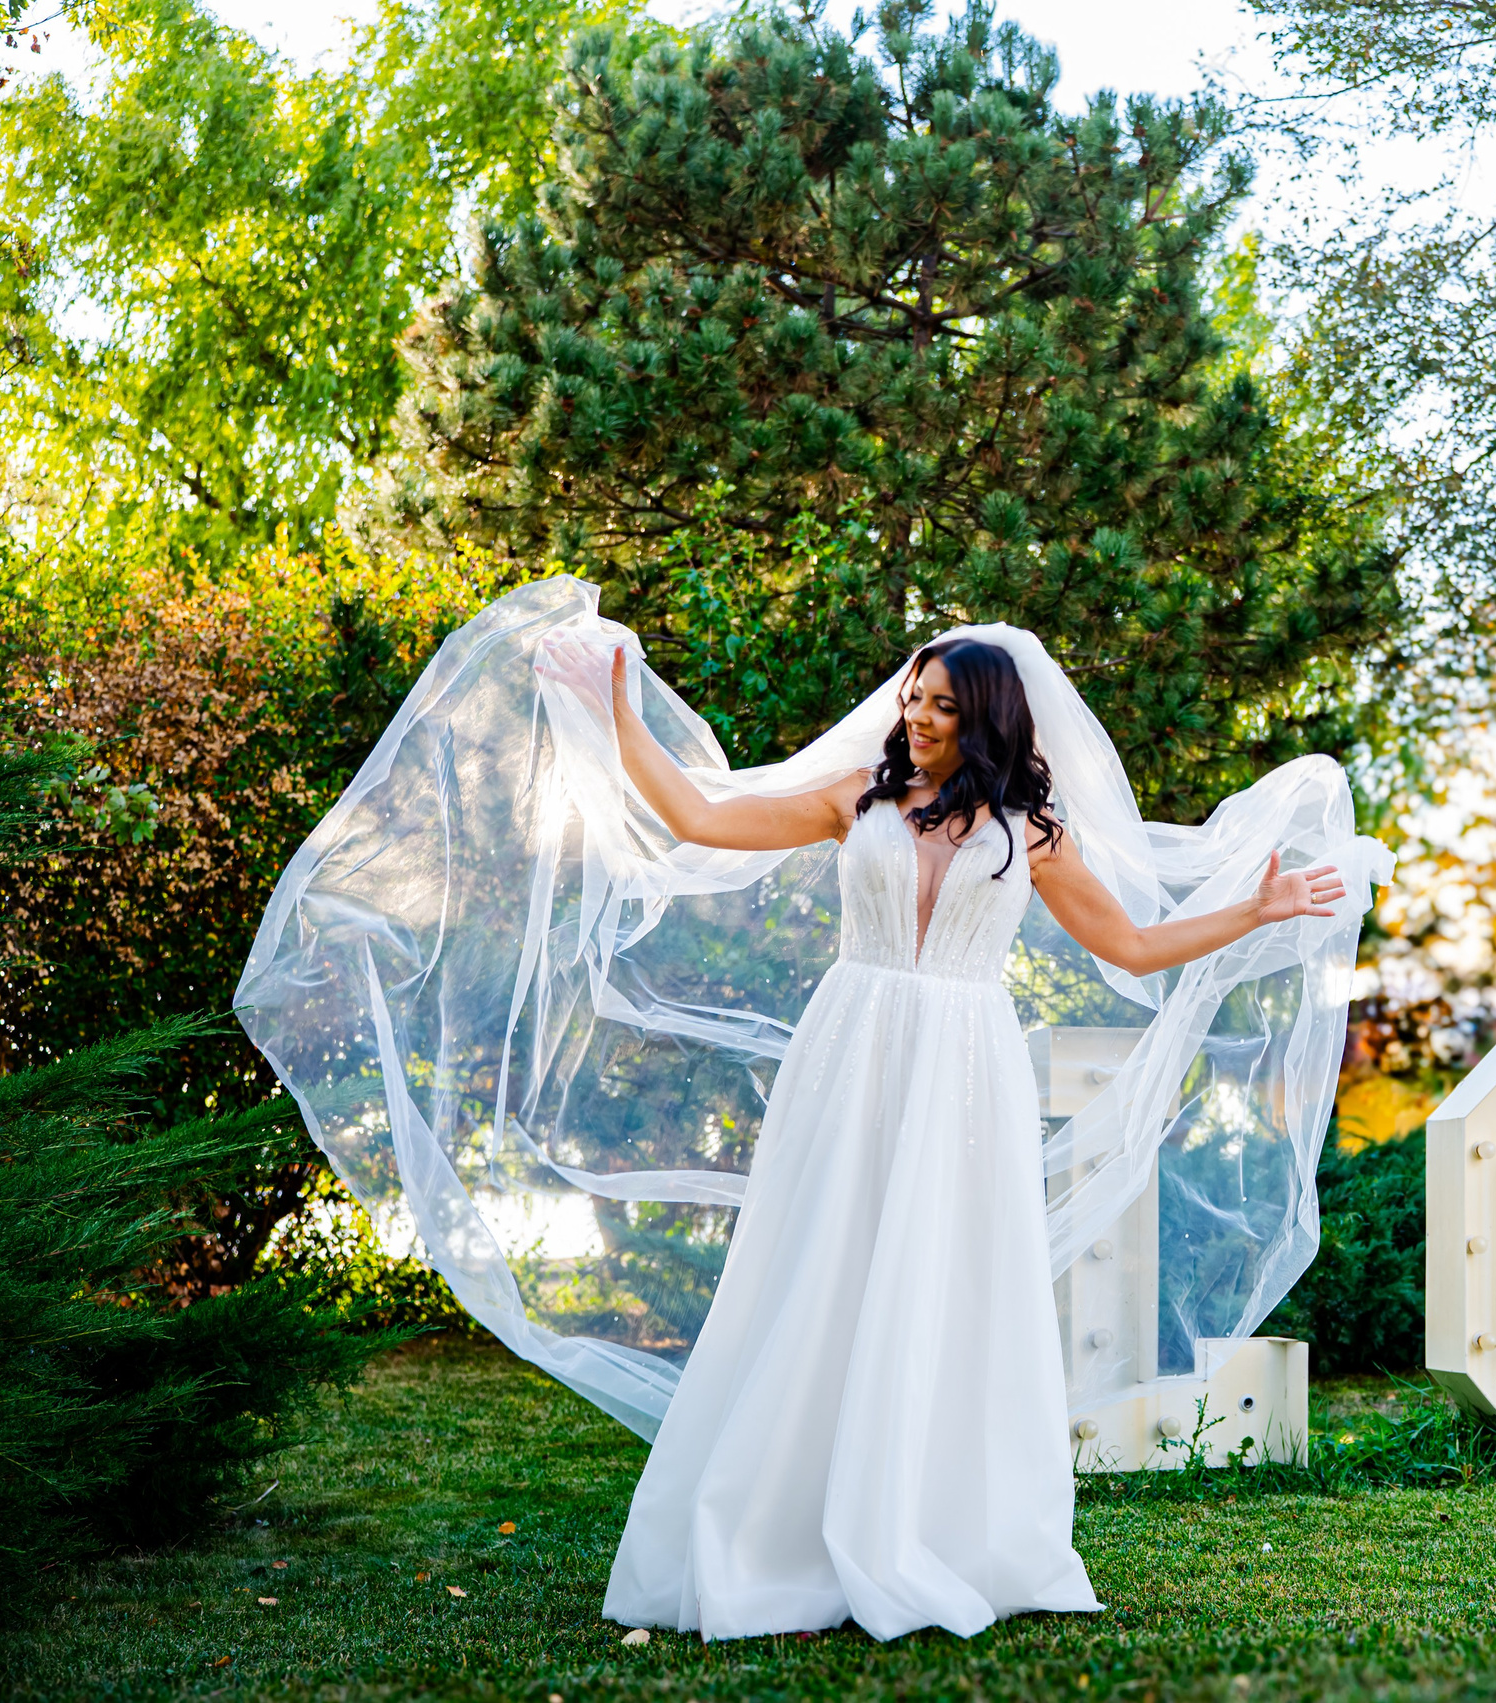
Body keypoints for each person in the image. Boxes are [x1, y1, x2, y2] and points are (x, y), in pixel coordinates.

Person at [531, 628, 1348, 1643]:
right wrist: (615, 715)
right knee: (822, 1263)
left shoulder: (1031, 834)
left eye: (943, 706)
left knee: (943, 1279)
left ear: (987, 719)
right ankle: (779, 1523)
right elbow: (699, 812)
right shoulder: (854, 799)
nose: (917, 717)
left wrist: (1253, 912)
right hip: (850, 1051)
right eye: (914, 698)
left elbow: (1131, 945)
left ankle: (932, 1526)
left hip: (963, 1067)